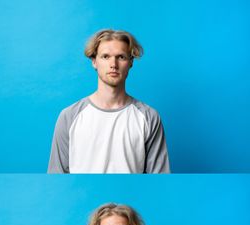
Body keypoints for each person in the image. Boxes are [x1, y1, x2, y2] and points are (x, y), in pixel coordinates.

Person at [48, 29, 170, 173]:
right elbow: (57, 176)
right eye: (105, 56)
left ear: (130, 62)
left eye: (121, 57)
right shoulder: (69, 116)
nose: (113, 64)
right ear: (94, 61)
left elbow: (158, 181)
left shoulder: (149, 117)